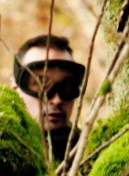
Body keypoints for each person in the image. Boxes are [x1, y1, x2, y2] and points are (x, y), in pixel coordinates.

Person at [12, 34, 86, 162]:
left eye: (67, 86)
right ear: (15, 87)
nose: (57, 100)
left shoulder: (90, 153)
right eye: (41, 84)